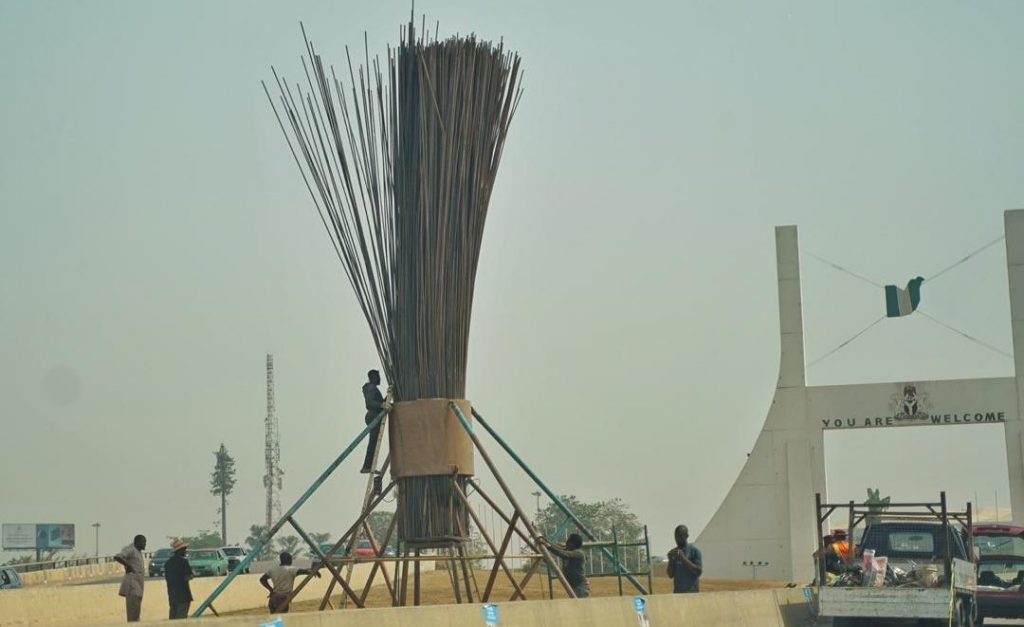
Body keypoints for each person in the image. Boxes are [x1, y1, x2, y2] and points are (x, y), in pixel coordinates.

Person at [360, 369, 392, 473]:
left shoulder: (373, 388)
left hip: (375, 415)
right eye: (378, 377)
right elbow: (369, 403)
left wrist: (388, 397)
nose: (380, 379)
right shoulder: (370, 388)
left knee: (374, 441)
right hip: (373, 416)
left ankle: (369, 465)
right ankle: (367, 466)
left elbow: (379, 402)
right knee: (373, 441)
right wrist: (382, 405)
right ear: (373, 377)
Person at [539, 534, 590, 598]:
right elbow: (558, 549)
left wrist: (548, 546)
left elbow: (563, 554)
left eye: (568, 541)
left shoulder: (578, 553)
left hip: (580, 587)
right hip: (574, 586)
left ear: (574, 543)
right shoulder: (571, 551)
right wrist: (547, 542)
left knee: (579, 606)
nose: (566, 543)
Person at [114, 534, 147, 622]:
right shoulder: (131, 549)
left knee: (136, 613)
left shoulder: (138, 552)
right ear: (137, 542)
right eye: (143, 542)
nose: (145, 544)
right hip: (132, 586)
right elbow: (118, 556)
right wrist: (128, 565)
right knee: (132, 614)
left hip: (138, 587)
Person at [667, 525, 702, 593]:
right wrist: (671, 560)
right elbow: (670, 575)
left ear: (686, 536)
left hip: (692, 594)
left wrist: (683, 559)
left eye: (680, 536)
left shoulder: (694, 551)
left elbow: (698, 571)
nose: (677, 539)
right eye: (676, 536)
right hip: (678, 594)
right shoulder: (674, 553)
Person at [164, 539, 193, 620]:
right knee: (181, 619)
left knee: (173, 619)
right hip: (183, 596)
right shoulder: (184, 562)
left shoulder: (167, 563)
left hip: (172, 595)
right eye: (184, 549)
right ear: (180, 550)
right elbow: (188, 576)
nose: (185, 551)